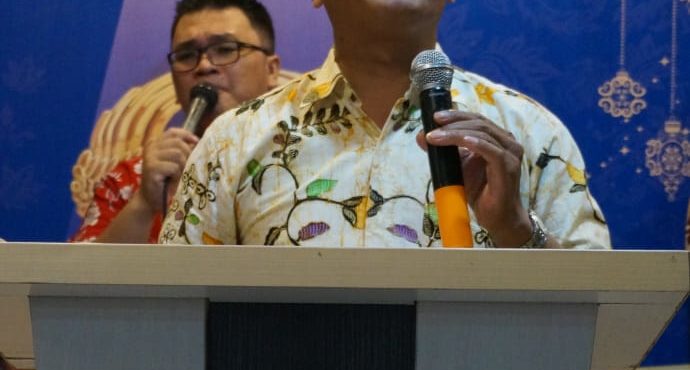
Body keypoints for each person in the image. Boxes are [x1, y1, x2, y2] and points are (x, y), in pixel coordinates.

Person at [159, 0, 611, 249]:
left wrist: (517, 230)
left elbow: (598, 345)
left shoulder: (530, 133)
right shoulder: (232, 141)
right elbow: (175, 329)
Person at [71, 0, 281, 243]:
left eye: (225, 49)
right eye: (186, 55)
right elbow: (86, 267)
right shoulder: (134, 180)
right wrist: (143, 204)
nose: (203, 66)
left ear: (271, 70)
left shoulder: (305, 159)